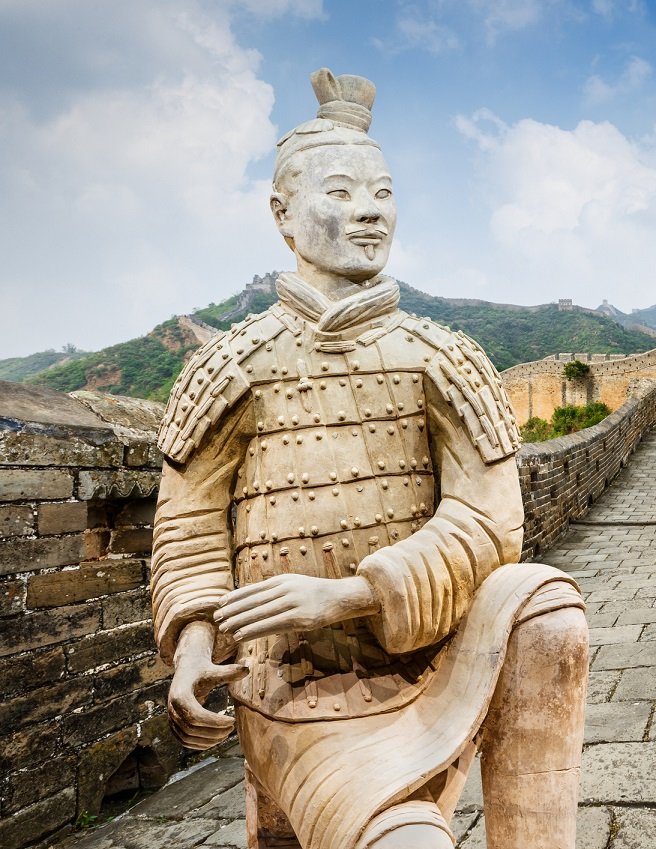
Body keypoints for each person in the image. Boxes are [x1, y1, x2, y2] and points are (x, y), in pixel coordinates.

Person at [150, 69, 588, 849]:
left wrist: (346, 594)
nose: (369, 211)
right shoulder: (230, 366)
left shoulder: (444, 357)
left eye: (382, 193)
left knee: (544, 607)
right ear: (283, 214)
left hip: (432, 661)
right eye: (342, 192)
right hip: (302, 693)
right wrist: (191, 650)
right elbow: (190, 532)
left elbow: (490, 522)